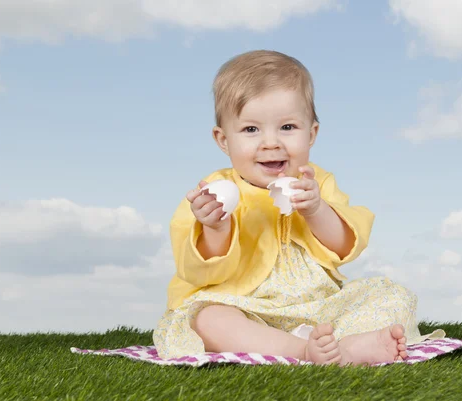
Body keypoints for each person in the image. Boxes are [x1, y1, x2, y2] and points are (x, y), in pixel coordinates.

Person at [153, 50, 444, 366]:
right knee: (208, 319)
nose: (271, 142)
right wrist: (215, 228)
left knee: (392, 295)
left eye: (287, 127)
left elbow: (344, 245)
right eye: (251, 130)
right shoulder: (212, 193)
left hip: (318, 308)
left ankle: (338, 345)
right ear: (223, 140)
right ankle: (304, 351)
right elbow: (195, 268)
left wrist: (316, 210)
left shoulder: (315, 182)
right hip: (247, 309)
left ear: (312, 133)